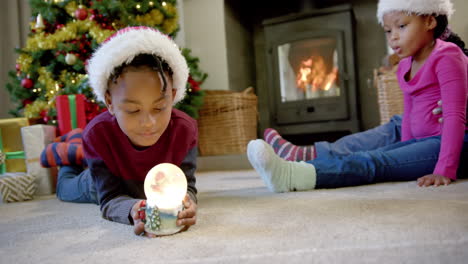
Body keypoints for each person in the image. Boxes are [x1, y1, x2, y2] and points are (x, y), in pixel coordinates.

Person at [247, 0, 468, 193]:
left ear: (430, 22)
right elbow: (409, 112)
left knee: (376, 160)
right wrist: (405, 154)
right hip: (422, 135)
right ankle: (305, 155)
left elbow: (454, 115)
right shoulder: (404, 67)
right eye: (388, 31)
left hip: (450, 142)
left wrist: (444, 169)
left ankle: (296, 175)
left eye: (401, 26)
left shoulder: (448, 56)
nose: (394, 38)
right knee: (393, 129)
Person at [51, 27, 198, 237]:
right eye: (133, 110)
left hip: (153, 187)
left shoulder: (185, 130)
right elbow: (110, 198)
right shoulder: (98, 134)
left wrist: (188, 204)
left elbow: (188, 187)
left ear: (173, 96)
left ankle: (78, 147)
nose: (148, 123)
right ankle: (70, 156)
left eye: (159, 108)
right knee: (64, 189)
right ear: (109, 102)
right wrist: (132, 211)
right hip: (103, 180)